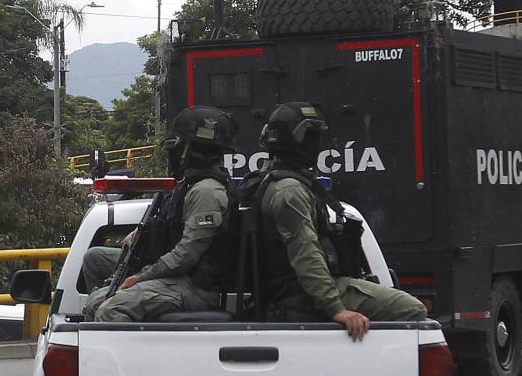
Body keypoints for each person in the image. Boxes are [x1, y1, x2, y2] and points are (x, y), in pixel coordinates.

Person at [255, 102, 427, 340]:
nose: (316, 144)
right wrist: (336, 309)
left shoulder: (277, 183)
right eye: (313, 136)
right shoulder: (290, 191)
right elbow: (306, 255)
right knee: (412, 310)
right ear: (300, 139)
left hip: (295, 289)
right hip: (299, 293)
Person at [83, 106, 238, 322]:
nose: (173, 153)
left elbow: (186, 255)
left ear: (193, 149)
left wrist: (139, 277)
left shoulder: (207, 191)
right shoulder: (188, 186)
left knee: (112, 309)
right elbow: (168, 230)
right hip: (175, 280)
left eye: (179, 145)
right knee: (97, 300)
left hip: (194, 287)